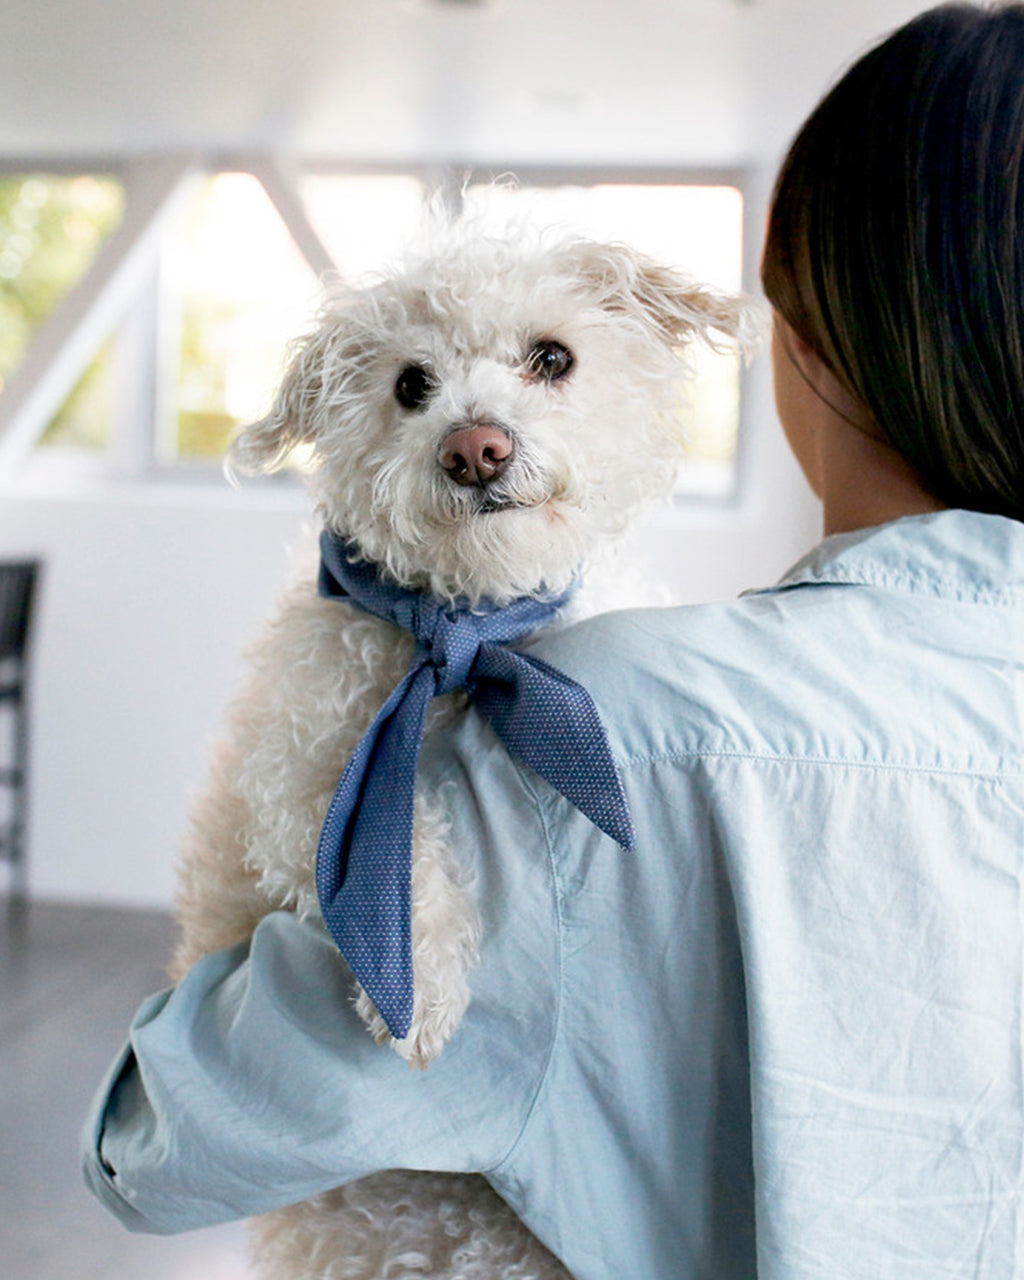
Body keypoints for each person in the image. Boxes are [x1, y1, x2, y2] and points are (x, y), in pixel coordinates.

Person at [82, 5, 1024, 1277]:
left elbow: (158, 1142)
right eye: (421, 389)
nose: (483, 431)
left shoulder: (582, 732)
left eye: (543, 361)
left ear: (806, 334)